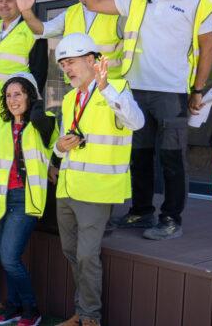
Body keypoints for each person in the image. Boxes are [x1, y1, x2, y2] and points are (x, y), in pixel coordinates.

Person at [77, 0, 212, 240]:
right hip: (136, 91)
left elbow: (208, 49)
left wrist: (197, 90)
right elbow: (94, 2)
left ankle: (171, 219)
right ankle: (141, 212)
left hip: (173, 94)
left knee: (170, 159)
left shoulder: (196, 2)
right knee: (138, 156)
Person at [51, 33, 144, 326]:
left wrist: (106, 90)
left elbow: (136, 122)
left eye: (72, 62)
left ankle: (90, 316)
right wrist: (58, 147)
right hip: (67, 188)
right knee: (71, 252)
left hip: (97, 190)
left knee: (87, 255)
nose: (67, 69)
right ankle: (82, 311)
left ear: (92, 61)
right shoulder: (68, 99)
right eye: (63, 63)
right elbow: (61, 144)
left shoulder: (116, 88)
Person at [0, 72, 55, 326]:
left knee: (9, 258)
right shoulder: (0, 126)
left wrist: (35, 103)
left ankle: (31, 309)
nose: (12, 99)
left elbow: (39, 117)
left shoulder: (42, 122)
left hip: (24, 201)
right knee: (8, 260)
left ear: (29, 95)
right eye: (8, 96)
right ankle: (14, 307)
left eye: (18, 94)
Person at [17, 0, 124, 78]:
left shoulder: (116, 9)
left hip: (108, 87)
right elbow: (41, 30)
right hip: (78, 88)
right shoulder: (70, 13)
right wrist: (26, 11)